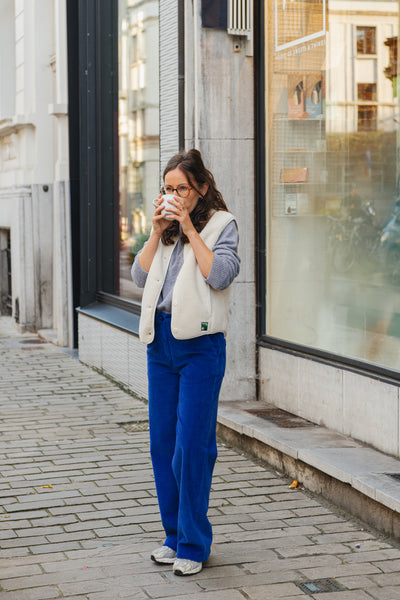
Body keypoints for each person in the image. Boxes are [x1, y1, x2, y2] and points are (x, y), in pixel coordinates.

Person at [131, 149, 240, 576]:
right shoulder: (166, 229)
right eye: (168, 188)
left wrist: (190, 227)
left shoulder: (221, 225)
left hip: (200, 347)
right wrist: (157, 231)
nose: (173, 195)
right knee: (162, 445)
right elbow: (141, 279)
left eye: (181, 188)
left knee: (191, 448)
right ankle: (173, 535)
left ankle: (194, 544)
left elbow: (220, 275)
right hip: (161, 344)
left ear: (202, 188)